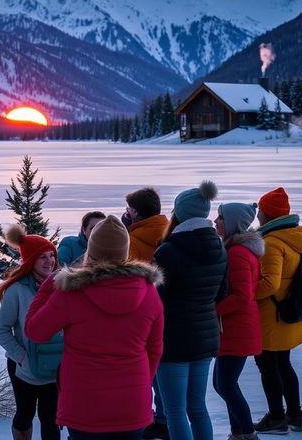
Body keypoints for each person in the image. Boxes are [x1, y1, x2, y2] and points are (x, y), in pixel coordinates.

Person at [25, 215, 164, 440]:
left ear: (92, 250)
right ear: (124, 252)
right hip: (132, 404)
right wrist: (138, 382)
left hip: (84, 405)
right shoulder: (148, 292)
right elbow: (155, 348)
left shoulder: (71, 292)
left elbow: (35, 331)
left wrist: (49, 286)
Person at [152, 181, 227, 440]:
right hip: (206, 337)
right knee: (197, 407)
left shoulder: (168, 251)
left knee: (174, 410)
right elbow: (221, 293)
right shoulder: (220, 247)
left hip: (173, 341)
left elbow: (155, 300)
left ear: (179, 213)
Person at [253, 187, 302, 434]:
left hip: (272, 315)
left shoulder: (271, 242)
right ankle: (295, 416)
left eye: (260, 211)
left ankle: (277, 417)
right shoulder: (298, 236)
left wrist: (244, 294)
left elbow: (270, 283)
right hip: (290, 311)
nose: (258, 216)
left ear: (267, 214)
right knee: (284, 364)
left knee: (268, 365)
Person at [0, 224, 62, 440]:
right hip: (24, 368)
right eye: (42, 256)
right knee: (24, 416)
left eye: (51, 255)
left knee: (51, 419)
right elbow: (3, 330)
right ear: (30, 260)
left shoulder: (63, 286)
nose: (49, 261)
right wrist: (22, 358)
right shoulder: (17, 290)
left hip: (55, 367)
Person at [213, 202, 264, 440]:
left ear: (232, 222)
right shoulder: (238, 249)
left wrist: (213, 310)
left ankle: (247, 433)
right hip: (235, 327)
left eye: (220, 217)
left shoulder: (238, 253)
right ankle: (238, 433)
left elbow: (242, 297)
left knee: (226, 385)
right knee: (223, 385)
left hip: (237, 328)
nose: (215, 221)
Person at [122, 188, 169, 440]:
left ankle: (156, 418)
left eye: (129, 209)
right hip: (165, 309)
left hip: (141, 312)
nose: (126, 212)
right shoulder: (166, 230)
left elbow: (126, 274)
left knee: (147, 370)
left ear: (136, 212)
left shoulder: (134, 240)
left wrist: (125, 232)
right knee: (160, 366)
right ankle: (163, 416)